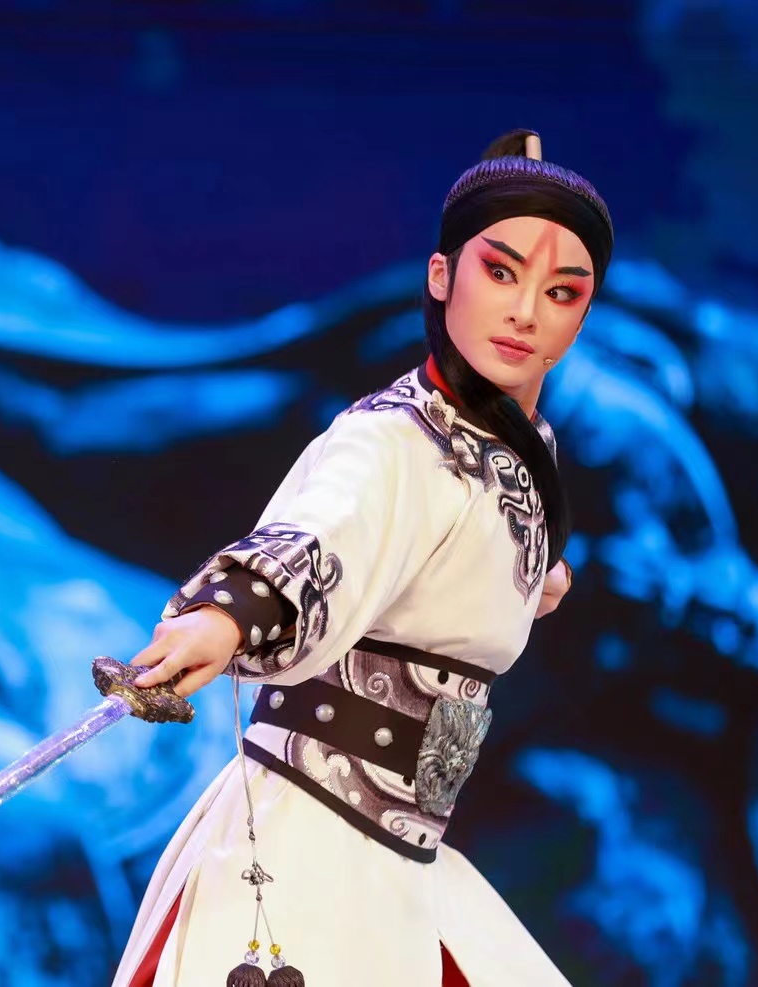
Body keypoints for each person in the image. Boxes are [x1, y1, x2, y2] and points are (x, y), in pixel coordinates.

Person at [112, 128, 611, 987]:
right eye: (500, 273)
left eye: (561, 291)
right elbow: (327, 529)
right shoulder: (392, 440)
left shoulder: (524, 454)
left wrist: (537, 580)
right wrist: (229, 613)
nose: (528, 311)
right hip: (312, 836)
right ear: (441, 276)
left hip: (406, 854)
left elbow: (463, 554)